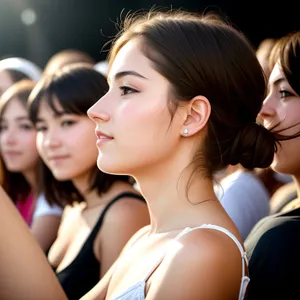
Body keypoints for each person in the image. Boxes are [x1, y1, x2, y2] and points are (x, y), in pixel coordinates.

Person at [0, 9, 277, 300]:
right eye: (109, 88)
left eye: (127, 89)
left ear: (192, 116)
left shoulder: (202, 251)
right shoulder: (145, 238)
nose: (96, 111)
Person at [28, 63, 150, 299]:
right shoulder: (75, 207)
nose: (50, 141)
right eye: (42, 127)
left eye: (67, 123)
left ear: (103, 119)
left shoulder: (124, 212)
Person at [245, 31, 300, 299]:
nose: (263, 109)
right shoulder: (286, 200)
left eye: (285, 92)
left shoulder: (284, 241)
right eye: (269, 91)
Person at [0, 79, 62, 252]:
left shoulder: (54, 201)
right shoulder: (21, 193)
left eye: (25, 126)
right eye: (3, 127)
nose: (8, 139)